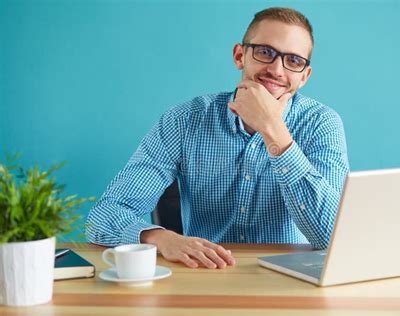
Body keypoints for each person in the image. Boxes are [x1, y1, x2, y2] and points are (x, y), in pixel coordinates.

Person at [86, 7, 349, 269]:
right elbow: (102, 218)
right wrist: (159, 238)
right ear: (239, 56)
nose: (277, 70)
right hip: (205, 275)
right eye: (265, 52)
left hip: (293, 280)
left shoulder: (322, 124)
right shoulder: (184, 120)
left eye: (293, 61)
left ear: (304, 76)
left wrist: (273, 129)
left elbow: (333, 236)